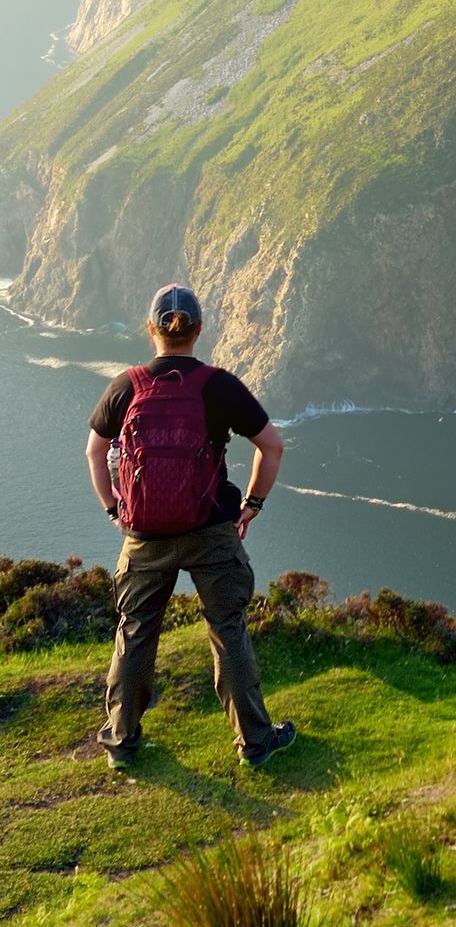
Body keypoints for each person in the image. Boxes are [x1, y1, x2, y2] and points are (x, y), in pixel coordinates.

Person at [85, 283, 297, 771]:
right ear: (199, 330)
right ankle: (256, 742)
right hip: (211, 530)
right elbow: (273, 446)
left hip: (144, 537)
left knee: (136, 633)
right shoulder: (219, 385)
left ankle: (121, 741)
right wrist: (253, 504)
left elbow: (96, 454)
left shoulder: (126, 385)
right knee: (228, 630)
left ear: (151, 328)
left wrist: (115, 510)